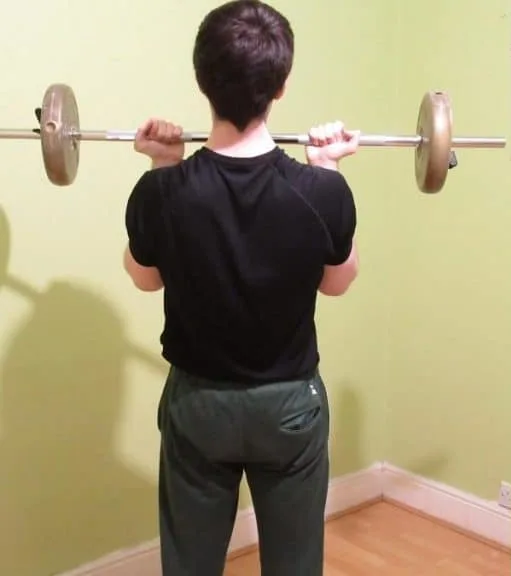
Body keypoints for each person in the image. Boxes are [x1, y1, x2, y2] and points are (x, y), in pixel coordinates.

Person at [121, 1, 360, 574]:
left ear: (202, 80)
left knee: (191, 564)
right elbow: (338, 284)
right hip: (289, 410)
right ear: (279, 87)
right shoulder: (321, 192)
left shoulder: (161, 193)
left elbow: (144, 277)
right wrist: (325, 169)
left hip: (200, 406)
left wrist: (164, 167)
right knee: (295, 564)